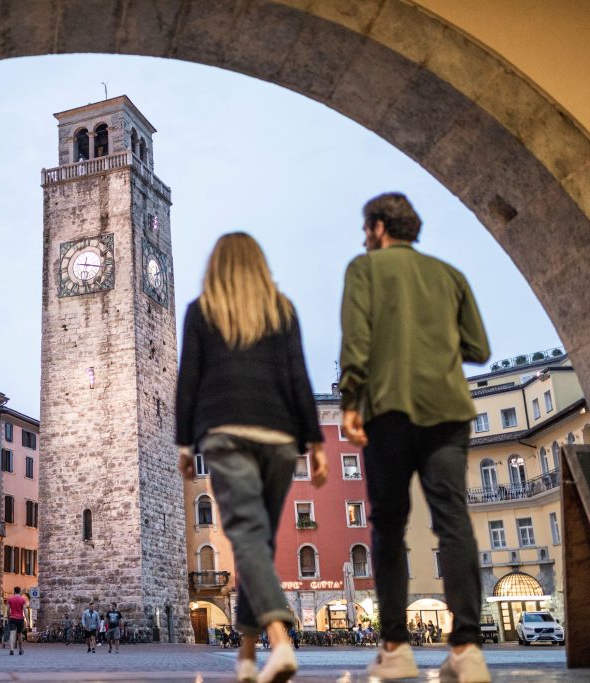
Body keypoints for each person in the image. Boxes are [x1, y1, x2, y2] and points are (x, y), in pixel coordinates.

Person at [339, 192, 491, 682]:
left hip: (389, 411)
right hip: (449, 412)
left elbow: (356, 345)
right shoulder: (451, 275)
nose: (365, 238)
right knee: (452, 521)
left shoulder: (364, 270)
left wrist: (349, 402)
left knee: (388, 527)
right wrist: (432, 347)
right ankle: (468, 648)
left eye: (367, 228)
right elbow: (478, 347)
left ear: (380, 227)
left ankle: (396, 647)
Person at [176, 232, 327, 683]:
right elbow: (299, 375)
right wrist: (314, 442)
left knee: (245, 533)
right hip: (279, 437)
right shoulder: (282, 310)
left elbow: (189, 382)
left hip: (226, 434)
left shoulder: (202, 312)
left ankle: (279, 642)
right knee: (255, 540)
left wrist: (185, 444)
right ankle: (245, 655)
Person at [6, 586, 27, 655]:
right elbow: (24, 610)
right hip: (20, 619)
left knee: (12, 633)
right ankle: (20, 650)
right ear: (20, 591)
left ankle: (11, 650)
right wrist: (27, 619)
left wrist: (9, 617)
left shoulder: (10, 599)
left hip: (12, 618)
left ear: (14, 591)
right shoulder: (23, 599)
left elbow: (8, 610)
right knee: (19, 634)